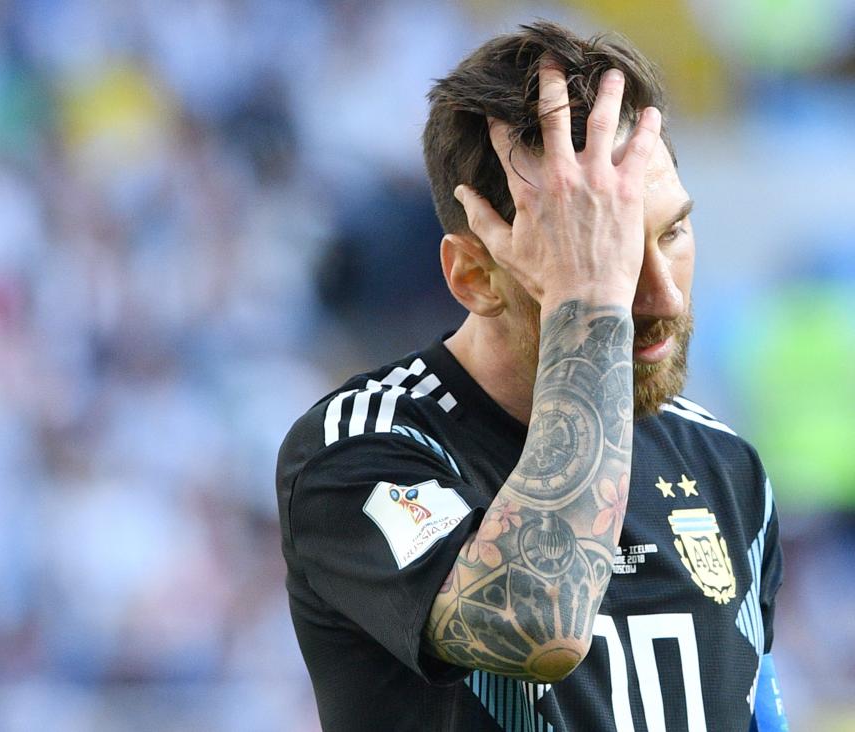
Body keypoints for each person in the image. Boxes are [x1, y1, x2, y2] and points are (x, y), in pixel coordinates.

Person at [276, 21, 787, 731]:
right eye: (601, 256)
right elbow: (541, 620)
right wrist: (591, 303)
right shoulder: (361, 449)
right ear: (474, 276)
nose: (663, 295)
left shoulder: (724, 465)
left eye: (670, 233)